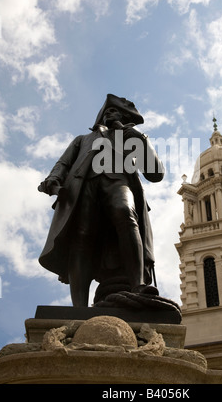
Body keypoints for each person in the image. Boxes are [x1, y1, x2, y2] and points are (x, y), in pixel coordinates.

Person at [38, 94, 164, 307]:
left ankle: (139, 285)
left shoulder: (130, 136)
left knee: (125, 212)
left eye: (114, 111)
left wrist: (140, 138)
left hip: (118, 181)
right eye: (106, 112)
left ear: (124, 117)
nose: (109, 114)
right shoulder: (83, 139)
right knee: (82, 236)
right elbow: (64, 162)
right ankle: (79, 306)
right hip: (83, 185)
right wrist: (53, 178)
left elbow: (155, 173)